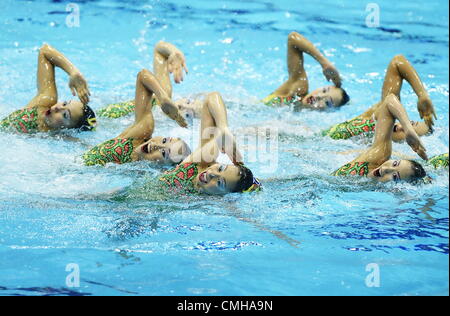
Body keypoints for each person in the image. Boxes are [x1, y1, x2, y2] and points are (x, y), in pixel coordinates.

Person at [82, 67, 189, 166]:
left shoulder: (142, 177)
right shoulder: (141, 133)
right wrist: (163, 97)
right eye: (164, 140)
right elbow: (143, 76)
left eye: (164, 153)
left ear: (164, 168)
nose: (156, 146)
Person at [159, 92, 261, 195]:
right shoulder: (199, 164)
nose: (212, 174)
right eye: (220, 168)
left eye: (219, 182)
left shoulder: (214, 201)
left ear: (223, 195)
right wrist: (223, 128)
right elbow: (211, 98)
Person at [323, 55, 435, 142]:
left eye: (408, 132)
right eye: (409, 123)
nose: (401, 127)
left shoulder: (383, 154)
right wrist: (422, 95)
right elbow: (397, 62)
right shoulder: (380, 117)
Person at [0, 44, 96, 134]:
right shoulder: (44, 102)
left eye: (65, 115)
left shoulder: (58, 139)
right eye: (65, 103)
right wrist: (73, 72)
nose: (58, 107)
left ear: (67, 130)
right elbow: (44, 51)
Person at [332, 94, 428, 183]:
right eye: (394, 164)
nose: (386, 169)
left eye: (395, 176)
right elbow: (389, 100)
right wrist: (408, 129)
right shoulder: (377, 156)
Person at [97, 41, 191, 120]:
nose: (183, 106)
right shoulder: (162, 96)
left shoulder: (152, 129)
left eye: (188, 114)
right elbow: (159, 50)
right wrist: (175, 52)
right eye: (188, 102)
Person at [262, 31, 350, 110]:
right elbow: (292, 38)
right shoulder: (297, 91)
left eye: (327, 102)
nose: (319, 96)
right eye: (324, 90)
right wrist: (324, 63)